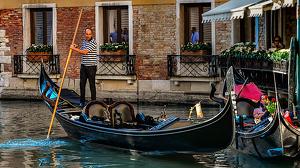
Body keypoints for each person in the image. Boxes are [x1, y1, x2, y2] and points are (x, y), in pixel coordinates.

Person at [70, 28, 97, 107]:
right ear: (85, 34)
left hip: (91, 66)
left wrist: (74, 49)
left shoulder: (93, 42)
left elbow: (85, 52)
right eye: (87, 34)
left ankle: (94, 103)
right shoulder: (84, 41)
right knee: (82, 84)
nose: (88, 35)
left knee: (92, 85)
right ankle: (82, 101)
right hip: (84, 66)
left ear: (92, 34)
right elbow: (82, 49)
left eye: (89, 34)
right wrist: (76, 46)